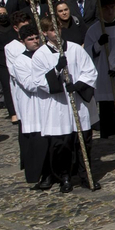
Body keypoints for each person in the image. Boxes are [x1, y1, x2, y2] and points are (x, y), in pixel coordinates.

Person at [24, 22, 99, 192]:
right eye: (51, 30)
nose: (55, 32)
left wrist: (79, 85)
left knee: (83, 143)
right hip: (57, 107)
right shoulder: (40, 55)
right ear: (44, 33)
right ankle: (64, 176)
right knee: (61, 145)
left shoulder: (75, 49)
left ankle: (86, 175)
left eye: (57, 29)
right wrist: (57, 69)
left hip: (78, 104)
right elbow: (39, 82)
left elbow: (90, 71)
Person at [83, 0, 115, 146]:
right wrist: (98, 45)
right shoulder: (94, 30)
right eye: (106, 8)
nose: (110, 11)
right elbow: (86, 54)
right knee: (108, 109)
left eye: (112, 7)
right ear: (100, 10)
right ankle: (112, 137)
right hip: (104, 73)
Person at [8, 23, 50, 186]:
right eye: (30, 39)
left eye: (36, 38)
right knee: (37, 143)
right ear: (23, 41)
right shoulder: (20, 61)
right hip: (32, 107)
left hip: (47, 104)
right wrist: (49, 78)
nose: (35, 41)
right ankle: (40, 175)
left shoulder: (45, 54)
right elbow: (30, 84)